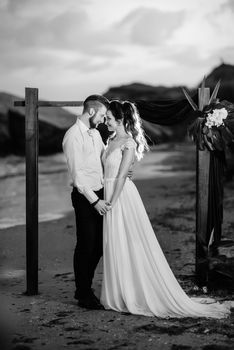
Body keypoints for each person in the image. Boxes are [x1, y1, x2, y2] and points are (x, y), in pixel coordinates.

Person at [100, 100, 231, 318]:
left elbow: (122, 175)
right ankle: (120, 290)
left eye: (110, 119)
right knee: (114, 242)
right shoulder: (110, 140)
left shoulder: (128, 143)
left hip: (121, 196)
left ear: (120, 120)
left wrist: (111, 201)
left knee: (128, 242)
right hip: (110, 192)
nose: (106, 122)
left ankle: (133, 292)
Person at [62, 94, 111, 310]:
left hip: (100, 193)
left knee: (99, 245)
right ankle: (83, 293)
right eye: (101, 115)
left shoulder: (95, 133)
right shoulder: (73, 136)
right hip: (84, 198)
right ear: (91, 111)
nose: (102, 119)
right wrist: (95, 202)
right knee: (86, 245)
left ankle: (84, 287)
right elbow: (78, 176)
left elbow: (103, 159)